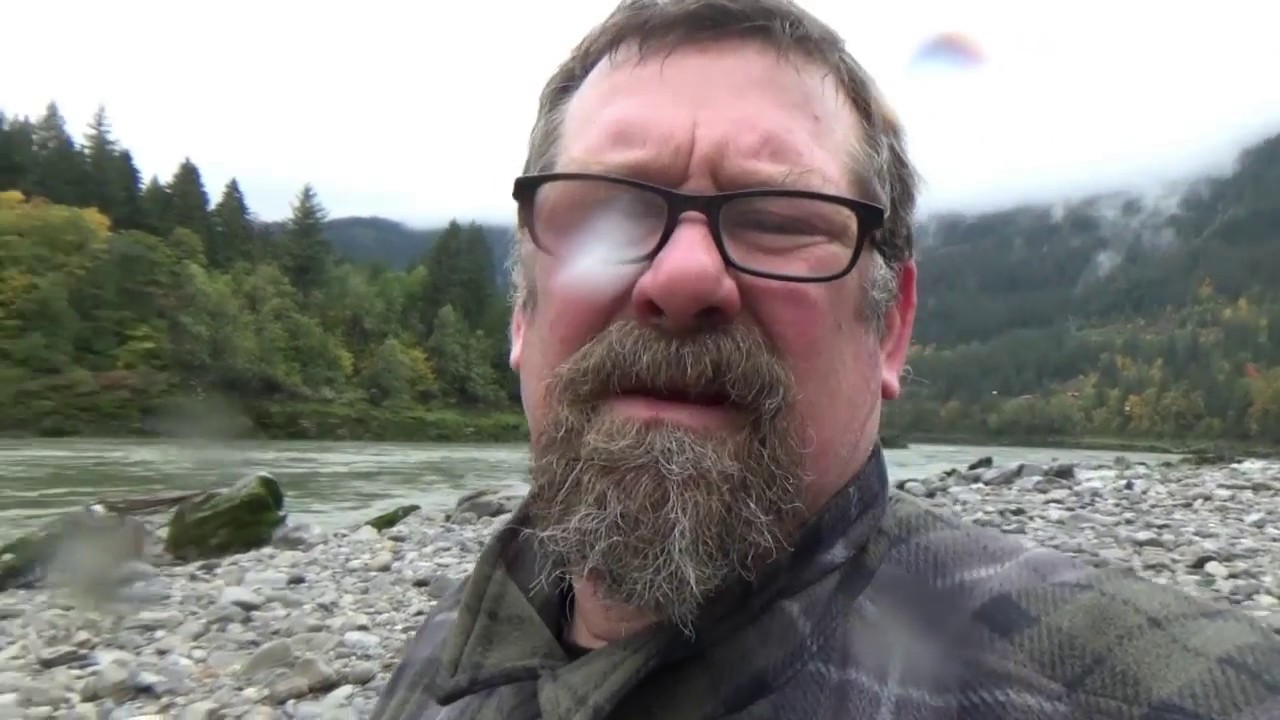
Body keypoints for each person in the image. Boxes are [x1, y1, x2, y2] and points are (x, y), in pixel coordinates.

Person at [372, 1, 1280, 718]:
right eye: (609, 211)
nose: (684, 277)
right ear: (523, 311)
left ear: (890, 330)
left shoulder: (1145, 692)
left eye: (778, 218)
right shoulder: (443, 657)